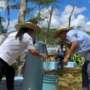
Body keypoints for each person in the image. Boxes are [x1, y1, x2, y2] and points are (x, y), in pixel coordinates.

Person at [0, 22, 45, 90]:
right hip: (2, 61)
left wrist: (24, 65)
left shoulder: (13, 34)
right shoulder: (28, 37)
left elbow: (15, 48)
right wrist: (41, 55)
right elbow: (32, 52)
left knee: (11, 72)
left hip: (4, 60)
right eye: (33, 32)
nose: (33, 34)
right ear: (30, 30)